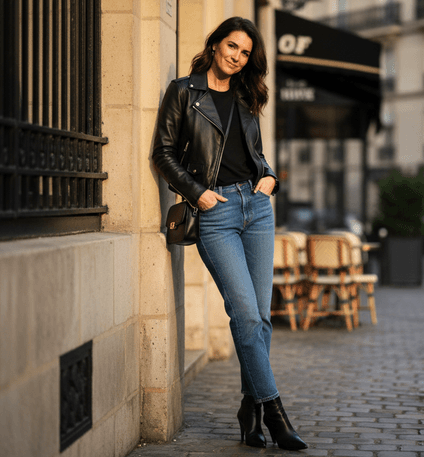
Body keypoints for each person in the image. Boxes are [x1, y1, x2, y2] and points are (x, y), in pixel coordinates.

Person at [150, 17, 307, 451]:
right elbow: (162, 152)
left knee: (261, 317)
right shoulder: (185, 91)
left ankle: (249, 410)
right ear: (215, 44)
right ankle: (274, 413)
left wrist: (271, 176)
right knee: (246, 315)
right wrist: (197, 193)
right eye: (231, 46)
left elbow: (254, 155)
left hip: (256, 208)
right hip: (215, 212)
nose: (237, 57)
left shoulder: (246, 95)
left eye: (244, 52)